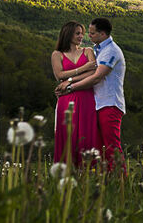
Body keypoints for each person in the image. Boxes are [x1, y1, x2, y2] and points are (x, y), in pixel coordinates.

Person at [57, 17, 125, 172]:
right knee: (101, 149)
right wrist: (68, 81)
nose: (89, 36)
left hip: (110, 104)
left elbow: (96, 76)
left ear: (102, 34)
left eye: (92, 33)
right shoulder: (97, 50)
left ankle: (122, 182)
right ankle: (107, 182)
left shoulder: (111, 51)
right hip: (97, 104)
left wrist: (70, 87)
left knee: (112, 147)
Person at [51, 21, 99, 166]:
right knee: (67, 136)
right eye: (77, 33)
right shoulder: (57, 54)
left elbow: (93, 72)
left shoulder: (88, 51)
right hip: (67, 100)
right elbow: (59, 75)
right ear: (68, 34)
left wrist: (69, 80)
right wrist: (82, 68)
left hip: (87, 98)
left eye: (82, 33)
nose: (81, 36)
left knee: (87, 135)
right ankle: (66, 172)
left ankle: (88, 173)